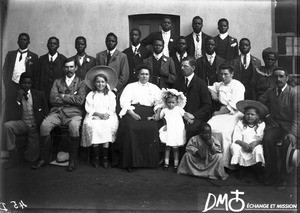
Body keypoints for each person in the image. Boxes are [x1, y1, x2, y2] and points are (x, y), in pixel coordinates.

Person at [31, 57, 87, 172]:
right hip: (57, 112)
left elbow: (80, 100)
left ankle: (72, 160)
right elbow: (52, 99)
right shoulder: (57, 81)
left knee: (74, 127)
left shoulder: (81, 82)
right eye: (66, 67)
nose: (69, 69)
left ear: (76, 68)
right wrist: (71, 98)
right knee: (44, 126)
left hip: (74, 113)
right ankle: (44, 159)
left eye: (71, 67)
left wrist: (62, 96)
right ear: (63, 68)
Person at [114, 64, 162, 173]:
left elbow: (159, 103)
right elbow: (124, 102)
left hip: (149, 111)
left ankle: (149, 162)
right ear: (138, 75)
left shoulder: (154, 88)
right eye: (142, 74)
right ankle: (131, 162)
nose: (144, 76)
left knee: (152, 127)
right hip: (132, 111)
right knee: (131, 128)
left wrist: (158, 113)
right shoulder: (131, 86)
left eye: (146, 74)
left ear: (149, 76)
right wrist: (132, 114)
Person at [259, 67, 298, 190]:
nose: (278, 79)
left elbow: (297, 116)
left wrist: (292, 133)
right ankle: (270, 175)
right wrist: (266, 115)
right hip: (275, 125)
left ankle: (283, 179)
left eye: (281, 76)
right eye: (275, 76)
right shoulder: (271, 91)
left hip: (290, 126)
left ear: (286, 78)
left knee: (286, 145)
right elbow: (260, 103)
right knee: (267, 140)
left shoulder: (293, 93)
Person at [3, 72, 48, 169]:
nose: (26, 85)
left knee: (31, 159)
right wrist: (18, 100)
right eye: (24, 83)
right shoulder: (15, 95)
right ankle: (11, 155)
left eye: (29, 83)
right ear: (20, 83)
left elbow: (45, 111)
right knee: (7, 126)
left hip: (35, 126)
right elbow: (12, 114)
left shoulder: (39, 95)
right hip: (23, 123)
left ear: (32, 84)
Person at [207, 63, 245, 169]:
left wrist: (217, 113)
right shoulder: (220, 84)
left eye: (226, 74)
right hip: (222, 112)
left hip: (235, 113)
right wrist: (213, 94)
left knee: (224, 131)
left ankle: (225, 162)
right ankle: (212, 159)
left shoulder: (238, 85)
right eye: (221, 74)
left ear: (232, 74)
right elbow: (210, 87)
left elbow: (235, 104)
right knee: (209, 126)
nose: (223, 77)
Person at [81, 66, 119, 168]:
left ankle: (105, 157)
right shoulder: (91, 95)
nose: (100, 84)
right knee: (93, 126)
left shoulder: (110, 95)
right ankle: (96, 157)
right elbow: (89, 108)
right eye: (98, 82)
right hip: (94, 115)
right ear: (94, 83)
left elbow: (112, 108)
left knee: (107, 126)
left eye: (102, 82)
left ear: (106, 83)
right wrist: (98, 114)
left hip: (107, 116)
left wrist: (106, 115)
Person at [173, 57, 212, 141]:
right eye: (182, 66)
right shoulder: (178, 82)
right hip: (180, 115)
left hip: (196, 117)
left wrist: (194, 115)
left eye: (185, 66)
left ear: (193, 68)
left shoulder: (201, 83)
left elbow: (207, 105)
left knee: (190, 129)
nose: (182, 68)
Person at [3, 33, 38, 121]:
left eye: (25, 39)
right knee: (10, 108)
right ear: (17, 41)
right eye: (20, 39)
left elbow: (35, 74)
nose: (22, 41)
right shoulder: (11, 54)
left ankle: (22, 130)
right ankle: (10, 129)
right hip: (12, 85)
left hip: (26, 87)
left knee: (25, 109)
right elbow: (5, 70)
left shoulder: (34, 56)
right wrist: (7, 85)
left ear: (29, 42)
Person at [230, 100, 268, 181]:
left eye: (252, 114)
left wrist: (255, 143)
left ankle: (258, 169)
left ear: (257, 115)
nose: (249, 116)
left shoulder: (261, 125)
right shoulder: (240, 123)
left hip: (255, 146)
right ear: (244, 114)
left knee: (259, 150)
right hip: (243, 146)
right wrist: (242, 143)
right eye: (247, 114)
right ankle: (241, 168)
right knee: (234, 146)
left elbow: (263, 139)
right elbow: (236, 138)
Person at [158, 88, 187, 172]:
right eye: (169, 102)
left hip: (176, 131)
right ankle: (166, 163)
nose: (171, 104)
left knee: (175, 148)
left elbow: (184, 115)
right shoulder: (165, 110)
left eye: (173, 102)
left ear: (176, 102)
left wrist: (188, 119)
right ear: (166, 102)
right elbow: (160, 117)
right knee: (167, 148)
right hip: (169, 130)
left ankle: (176, 164)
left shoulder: (178, 109)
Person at [34, 37, 66, 103]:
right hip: (43, 93)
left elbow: (65, 78)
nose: (52, 45)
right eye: (50, 43)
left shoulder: (63, 60)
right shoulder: (41, 59)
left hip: (57, 94)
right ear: (47, 45)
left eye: (54, 44)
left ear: (58, 46)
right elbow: (37, 78)